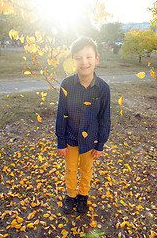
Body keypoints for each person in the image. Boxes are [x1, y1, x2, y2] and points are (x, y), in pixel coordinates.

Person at [55, 36, 111, 214]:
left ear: (96, 59)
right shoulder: (66, 84)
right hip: (70, 140)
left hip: (90, 142)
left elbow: (104, 118)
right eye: (78, 57)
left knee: (86, 170)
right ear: (73, 61)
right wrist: (61, 141)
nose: (84, 62)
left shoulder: (103, 88)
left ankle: (83, 196)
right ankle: (70, 195)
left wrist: (100, 144)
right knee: (70, 169)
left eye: (88, 56)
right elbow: (61, 115)